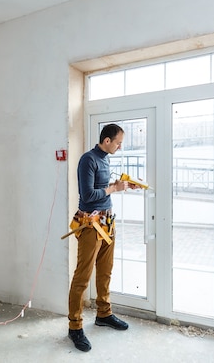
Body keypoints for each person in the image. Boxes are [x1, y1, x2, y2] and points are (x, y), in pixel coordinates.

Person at [67, 123, 138, 352]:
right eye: (117, 143)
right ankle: (75, 327)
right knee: (82, 276)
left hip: (107, 222)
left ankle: (104, 314)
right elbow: (87, 195)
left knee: (105, 271)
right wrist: (113, 189)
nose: (119, 147)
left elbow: (102, 188)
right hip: (90, 224)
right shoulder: (88, 160)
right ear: (106, 140)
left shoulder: (105, 159)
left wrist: (122, 186)